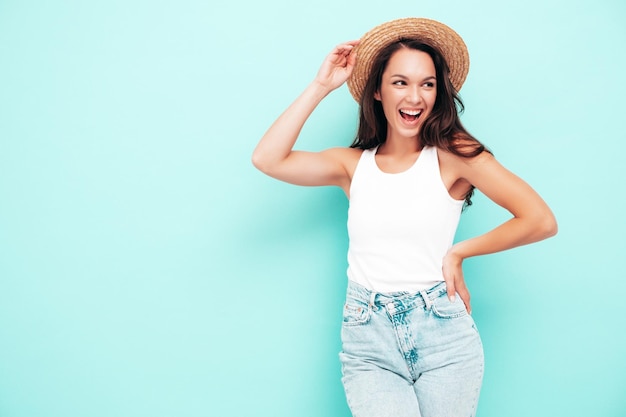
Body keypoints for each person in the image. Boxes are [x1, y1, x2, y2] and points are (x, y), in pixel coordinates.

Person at [252, 17, 557, 417]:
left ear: (438, 92)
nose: (415, 96)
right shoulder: (352, 166)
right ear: (377, 91)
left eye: (427, 84)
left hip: (444, 335)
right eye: (400, 82)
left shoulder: (454, 156)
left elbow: (540, 219)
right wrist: (321, 86)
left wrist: (459, 252)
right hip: (367, 337)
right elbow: (267, 158)